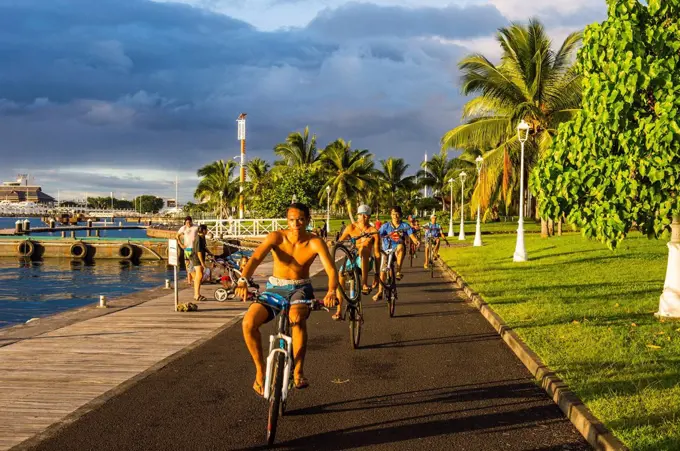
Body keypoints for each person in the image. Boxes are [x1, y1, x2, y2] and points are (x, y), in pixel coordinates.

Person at [235, 203, 338, 397]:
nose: (296, 223)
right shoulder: (276, 237)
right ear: (287, 220)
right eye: (291, 219)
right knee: (248, 323)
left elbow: (331, 269)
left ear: (308, 220)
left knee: (297, 319)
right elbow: (256, 258)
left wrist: (331, 291)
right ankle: (260, 371)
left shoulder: (314, 242)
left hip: (301, 288)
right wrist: (243, 280)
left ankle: (298, 371)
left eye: (300, 219)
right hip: (275, 288)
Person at [334, 204, 381, 320]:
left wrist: (377, 274)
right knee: (340, 279)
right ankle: (339, 311)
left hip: (366, 261)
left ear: (369, 217)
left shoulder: (373, 231)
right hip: (352, 259)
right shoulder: (351, 228)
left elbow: (377, 253)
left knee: (364, 249)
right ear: (357, 216)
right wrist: (334, 244)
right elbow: (340, 241)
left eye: (366, 216)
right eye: (361, 215)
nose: (363, 218)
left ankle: (364, 283)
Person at [373, 206, 420, 301]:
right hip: (386, 251)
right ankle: (380, 292)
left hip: (399, 251)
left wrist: (416, 241)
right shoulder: (385, 226)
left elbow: (411, 235)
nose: (395, 216)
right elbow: (377, 235)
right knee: (382, 272)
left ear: (401, 215)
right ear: (391, 215)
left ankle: (398, 271)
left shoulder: (405, 226)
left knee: (400, 246)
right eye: (393, 214)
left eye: (397, 214)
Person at [191, 224, 211, 301]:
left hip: (199, 258)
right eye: (206, 230)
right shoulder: (198, 238)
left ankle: (197, 294)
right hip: (196, 258)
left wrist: (210, 253)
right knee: (199, 276)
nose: (207, 231)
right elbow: (199, 251)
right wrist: (202, 263)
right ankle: (196, 294)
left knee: (199, 276)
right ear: (203, 230)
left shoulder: (202, 237)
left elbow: (204, 247)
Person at [177, 216, 198, 286]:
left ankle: (194, 278)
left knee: (194, 264)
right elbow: (177, 236)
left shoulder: (196, 227)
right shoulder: (183, 228)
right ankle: (189, 280)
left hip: (194, 248)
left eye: (189, 222)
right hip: (187, 249)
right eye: (186, 222)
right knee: (187, 265)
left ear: (191, 221)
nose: (188, 224)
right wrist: (181, 244)